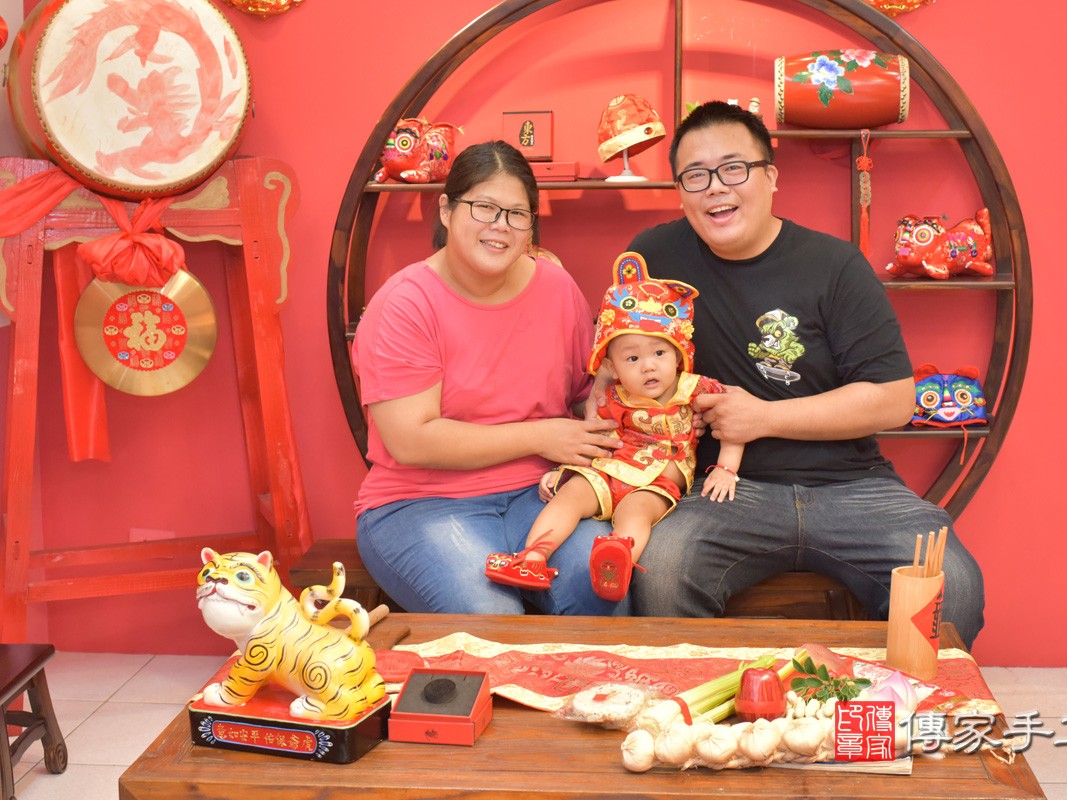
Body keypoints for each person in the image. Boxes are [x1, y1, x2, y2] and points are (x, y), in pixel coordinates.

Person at [623, 101, 986, 645]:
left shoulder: (835, 266)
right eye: (695, 176)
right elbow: (618, 351)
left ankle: (889, 699)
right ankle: (706, 699)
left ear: (771, 177)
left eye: (733, 169)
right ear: (680, 191)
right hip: (723, 487)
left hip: (853, 486)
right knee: (662, 571)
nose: (715, 188)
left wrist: (762, 418)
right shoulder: (654, 258)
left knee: (951, 583)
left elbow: (894, 400)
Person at [352, 140, 626, 616]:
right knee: (493, 617)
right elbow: (411, 441)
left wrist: (633, 397)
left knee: (599, 585)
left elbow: (584, 395)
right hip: (422, 502)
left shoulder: (557, 289)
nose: (500, 225)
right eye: (484, 207)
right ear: (446, 210)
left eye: (517, 214)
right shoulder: (405, 304)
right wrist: (542, 435)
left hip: (543, 492)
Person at [485, 252, 743, 602]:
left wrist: (726, 468)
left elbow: (732, 422)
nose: (648, 366)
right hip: (612, 466)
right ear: (611, 367)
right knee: (571, 494)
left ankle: (617, 560)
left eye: (660, 354)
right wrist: (566, 468)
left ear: (679, 354)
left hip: (660, 477)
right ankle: (532, 558)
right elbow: (598, 435)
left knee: (635, 512)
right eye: (632, 358)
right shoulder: (612, 396)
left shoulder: (694, 389)